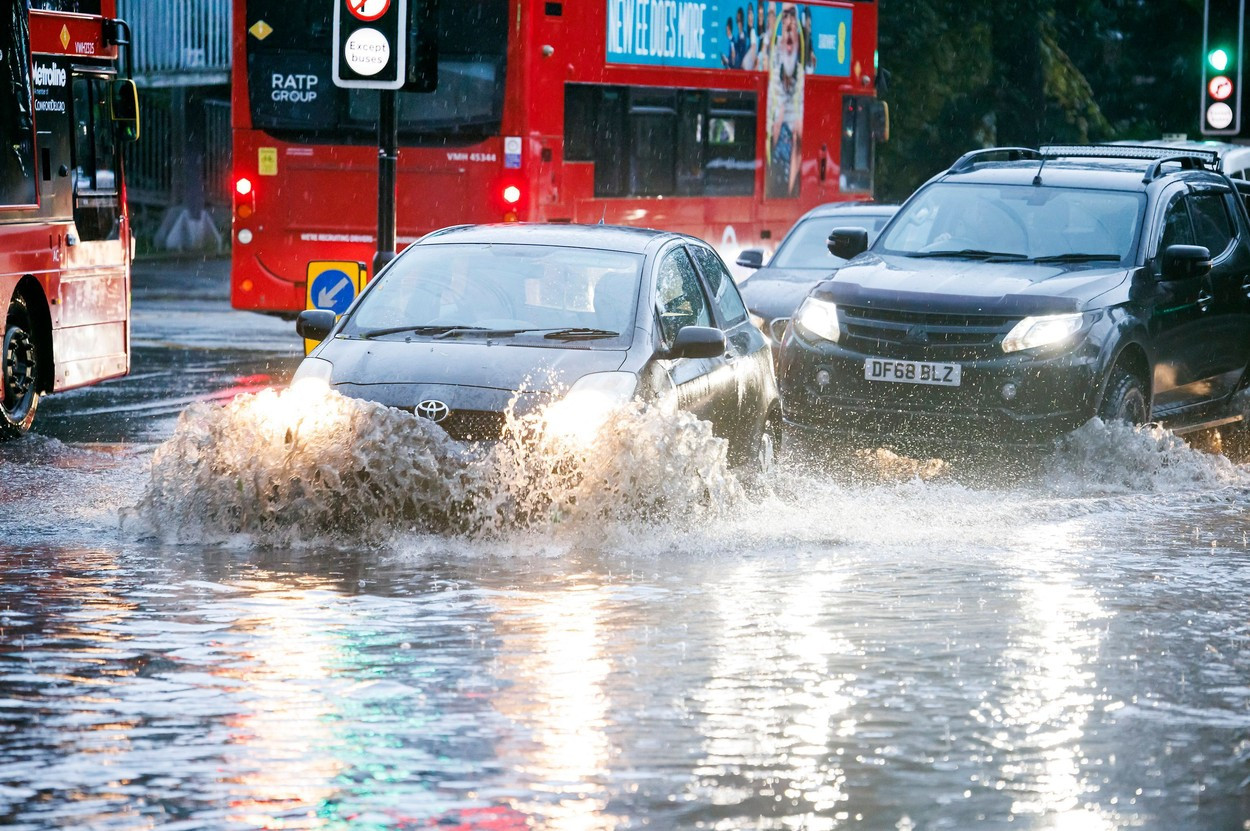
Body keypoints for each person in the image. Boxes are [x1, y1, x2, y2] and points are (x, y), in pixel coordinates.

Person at [766, 3, 804, 198]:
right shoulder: (773, 57)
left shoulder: (802, 71)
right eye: (785, 16)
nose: (788, 21)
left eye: (792, 16)